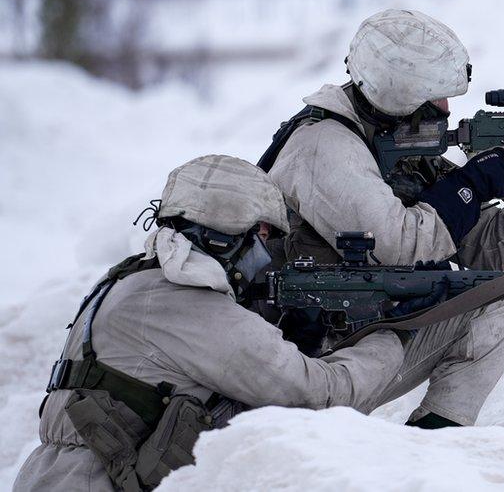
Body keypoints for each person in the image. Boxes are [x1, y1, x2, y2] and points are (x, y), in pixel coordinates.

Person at [263, 9, 504, 429]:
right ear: (401, 95)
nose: (447, 109)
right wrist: (469, 185)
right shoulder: (324, 147)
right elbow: (403, 244)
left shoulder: (391, 142)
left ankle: (436, 443)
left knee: (501, 297)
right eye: (436, 97)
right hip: (306, 362)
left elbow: (487, 253)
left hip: (361, 331)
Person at [14, 155, 411, 491]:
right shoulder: (189, 306)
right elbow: (317, 394)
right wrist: (389, 334)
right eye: (261, 234)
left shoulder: (133, 281)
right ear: (226, 236)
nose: (264, 250)